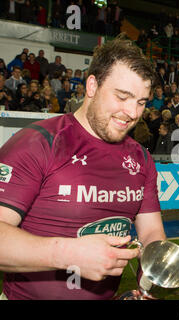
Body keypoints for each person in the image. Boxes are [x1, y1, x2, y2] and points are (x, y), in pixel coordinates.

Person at [0, 36, 166, 300]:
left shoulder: (142, 158)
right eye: (123, 97)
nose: (133, 112)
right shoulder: (37, 143)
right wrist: (68, 254)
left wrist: (152, 277)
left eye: (141, 102)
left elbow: (151, 233)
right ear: (92, 86)